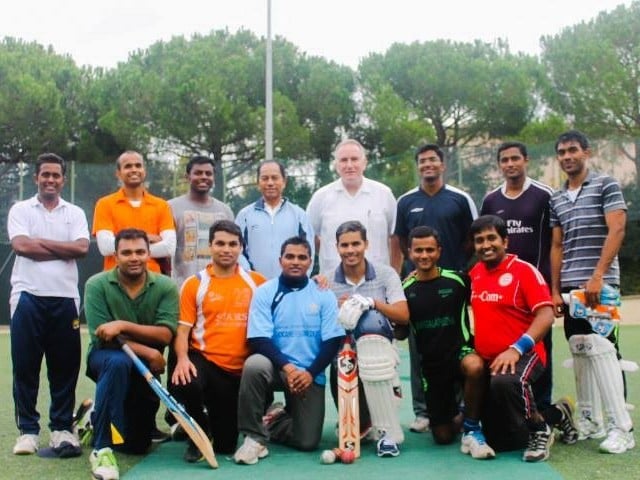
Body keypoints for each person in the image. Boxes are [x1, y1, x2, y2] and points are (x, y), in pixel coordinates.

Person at [549, 130, 634, 454]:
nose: (567, 156)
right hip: (570, 288)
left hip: (600, 285)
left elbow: (618, 228)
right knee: (580, 348)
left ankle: (621, 429)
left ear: (587, 152)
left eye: (573, 150)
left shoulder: (605, 184)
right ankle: (590, 420)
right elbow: (557, 245)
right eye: (562, 152)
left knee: (603, 351)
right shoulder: (557, 198)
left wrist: (597, 276)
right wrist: (556, 290)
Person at [233, 237, 344, 465]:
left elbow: (333, 340)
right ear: (280, 260)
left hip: (309, 374)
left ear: (310, 262)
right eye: (290, 256)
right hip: (276, 369)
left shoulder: (323, 293)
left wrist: (310, 373)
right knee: (254, 364)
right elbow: (259, 339)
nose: (296, 262)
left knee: (307, 442)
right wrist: (289, 368)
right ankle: (254, 437)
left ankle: (273, 419)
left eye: (302, 257)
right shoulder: (265, 291)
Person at [391, 143, 477, 434]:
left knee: (458, 345)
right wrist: (408, 270)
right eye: (423, 161)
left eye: (433, 160)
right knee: (419, 349)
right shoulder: (405, 202)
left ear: (443, 164)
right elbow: (401, 241)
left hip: (451, 288)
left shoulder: (460, 198)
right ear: (418, 166)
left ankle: (462, 407)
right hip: (420, 290)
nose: (428, 165)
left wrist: (455, 266)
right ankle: (423, 411)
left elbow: (472, 238)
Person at [8, 153, 89, 457]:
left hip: (65, 299)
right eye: (45, 175)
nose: (50, 180)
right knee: (26, 367)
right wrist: (62, 249)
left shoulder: (75, 212)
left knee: (64, 368)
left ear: (63, 179)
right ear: (36, 178)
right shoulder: (21, 209)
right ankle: (28, 431)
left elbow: (81, 248)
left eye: (56, 175)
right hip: (27, 296)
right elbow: (21, 246)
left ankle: (61, 429)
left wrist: (40, 243)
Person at [83, 229, 179, 480]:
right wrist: (148, 350)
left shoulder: (166, 286)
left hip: (146, 369)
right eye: (126, 252)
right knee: (117, 363)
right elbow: (104, 336)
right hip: (105, 359)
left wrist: (123, 325)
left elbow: (165, 336)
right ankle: (101, 448)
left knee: (136, 445)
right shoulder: (96, 284)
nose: (133, 257)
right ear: (116, 256)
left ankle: (93, 415)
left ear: (149, 254)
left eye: (140, 251)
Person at [170, 220, 266, 462]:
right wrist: (181, 359)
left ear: (241, 247)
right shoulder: (195, 284)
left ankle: (221, 424)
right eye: (220, 243)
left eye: (233, 244)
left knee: (225, 446)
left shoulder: (257, 282)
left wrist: (319, 281)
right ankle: (198, 431)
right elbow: (182, 332)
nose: (226, 249)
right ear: (210, 246)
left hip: (240, 373)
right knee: (185, 379)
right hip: (207, 363)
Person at [480, 141, 561, 426]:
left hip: (535, 291)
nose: (510, 164)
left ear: (526, 160)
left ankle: (544, 411)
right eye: (504, 160)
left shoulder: (543, 195)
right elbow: (485, 239)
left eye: (515, 158)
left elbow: (555, 243)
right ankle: (518, 414)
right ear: (499, 164)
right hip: (504, 293)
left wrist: (553, 290)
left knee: (539, 350)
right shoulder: (491, 200)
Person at [469, 215, 555, 462]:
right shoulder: (475, 273)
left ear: (505, 241)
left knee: (505, 381)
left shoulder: (524, 271)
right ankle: (558, 414)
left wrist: (517, 348)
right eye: (479, 240)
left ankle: (540, 430)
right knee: (503, 441)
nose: (485, 245)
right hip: (491, 361)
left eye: (491, 238)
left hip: (525, 354)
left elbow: (546, 314)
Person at [402, 226, 494, 459]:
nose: (424, 255)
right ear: (409, 252)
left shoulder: (458, 281)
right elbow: (401, 332)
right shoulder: (405, 289)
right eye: (419, 250)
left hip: (460, 353)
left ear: (439, 251)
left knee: (474, 366)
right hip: (431, 366)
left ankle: (472, 428)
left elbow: (486, 283)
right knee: (442, 437)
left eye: (430, 250)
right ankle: (464, 414)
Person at [326, 220, 409, 457]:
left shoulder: (385, 274)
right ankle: (361, 422)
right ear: (337, 247)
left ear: (366, 244)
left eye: (356, 244)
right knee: (359, 428)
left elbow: (403, 315)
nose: (350, 250)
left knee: (371, 319)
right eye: (345, 245)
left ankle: (388, 433)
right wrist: (335, 309)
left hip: (380, 351)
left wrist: (373, 303)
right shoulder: (326, 279)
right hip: (344, 356)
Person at [306, 139, 397, 275]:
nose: (349, 165)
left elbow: (394, 237)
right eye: (343, 160)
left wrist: (394, 276)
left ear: (364, 163)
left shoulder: (384, 194)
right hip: (333, 284)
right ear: (336, 165)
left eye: (354, 159)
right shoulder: (321, 197)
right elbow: (310, 236)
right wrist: (330, 253)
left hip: (378, 282)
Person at [93, 150, 176, 274]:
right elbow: (105, 247)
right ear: (118, 173)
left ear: (144, 171)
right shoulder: (105, 204)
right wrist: (148, 238)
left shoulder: (161, 205)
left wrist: (121, 244)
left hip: (153, 280)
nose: (134, 169)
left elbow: (169, 248)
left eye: (138, 165)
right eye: (128, 166)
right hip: (115, 280)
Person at [236, 160, 314, 278]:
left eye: (275, 178)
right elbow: (237, 250)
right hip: (254, 287)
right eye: (265, 178)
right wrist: (250, 277)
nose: (270, 183)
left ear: (284, 181)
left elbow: (309, 251)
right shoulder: (245, 215)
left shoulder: (299, 215)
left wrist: (299, 280)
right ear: (258, 183)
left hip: (290, 286)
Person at [169, 155, 234, 288]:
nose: (204, 177)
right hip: (183, 286)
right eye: (198, 173)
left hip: (218, 286)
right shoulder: (171, 208)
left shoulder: (225, 211)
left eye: (208, 173)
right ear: (187, 177)